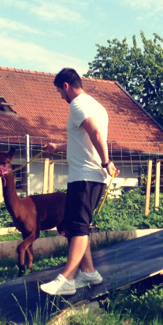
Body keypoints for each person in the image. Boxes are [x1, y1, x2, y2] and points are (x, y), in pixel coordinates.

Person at [40, 68, 117, 296]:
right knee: (76, 226)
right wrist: (57, 147)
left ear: (65, 86)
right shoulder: (95, 105)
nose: (61, 97)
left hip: (86, 176)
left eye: (59, 92)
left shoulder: (78, 104)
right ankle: (89, 272)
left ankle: (67, 279)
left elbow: (95, 132)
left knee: (79, 227)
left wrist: (106, 162)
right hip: (86, 176)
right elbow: (84, 139)